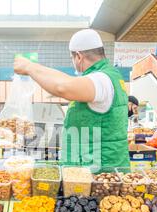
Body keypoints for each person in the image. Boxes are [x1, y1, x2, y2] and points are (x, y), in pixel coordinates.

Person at [14, 29, 130, 168]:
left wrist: (29, 67)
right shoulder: (108, 76)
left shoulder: (101, 79)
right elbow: (65, 81)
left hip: (99, 175)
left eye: (72, 58)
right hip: (92, 168)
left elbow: (62, 87)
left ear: (79, 56)